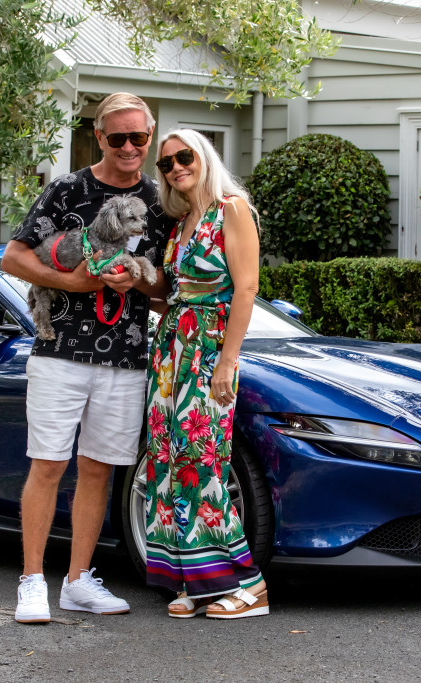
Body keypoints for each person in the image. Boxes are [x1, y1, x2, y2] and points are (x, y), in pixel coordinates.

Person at [1, 93, 173, 624]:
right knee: (49, 464)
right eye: (117, 137)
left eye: (138, 137)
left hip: (126, 357)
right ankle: (33, 581)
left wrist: (137, 282)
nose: (129, 146)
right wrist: (72, 282)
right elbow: (13, 257)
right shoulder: (67, 189)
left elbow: (166, 288)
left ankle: (78, 581)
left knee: (98, 472)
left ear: (149, 137)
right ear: (99, 137)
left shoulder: (161, 199)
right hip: (59, 353)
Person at [145, 129, 268, 619]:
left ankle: (249, 585)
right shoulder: (180, 224)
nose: (176, 167)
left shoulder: (231, 210)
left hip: (209, 349)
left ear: (204, 158)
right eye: (166, 163)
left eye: (184, 157)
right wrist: (132, 278)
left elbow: (247, 288)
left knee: (202, 460)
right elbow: (169, 295)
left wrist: (227, 361)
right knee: (166, 461)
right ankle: (195, 581)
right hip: (170, 352)